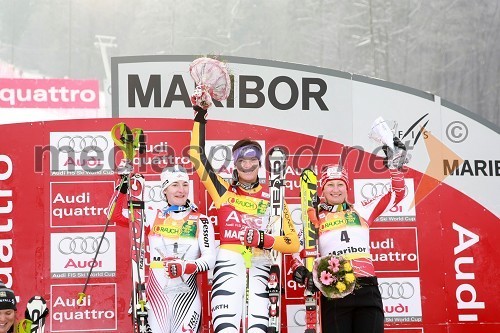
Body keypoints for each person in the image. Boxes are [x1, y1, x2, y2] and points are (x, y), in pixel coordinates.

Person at [189, 105, 300, 333]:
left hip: (261, 264)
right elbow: (196, 156)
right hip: (228, 262)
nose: (247, 166)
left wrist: (263, 239)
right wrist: (200, 115)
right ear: (235, 164)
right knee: (226, 328)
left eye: (252, 160)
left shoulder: (274, 197)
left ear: (260, 162)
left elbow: (293, 243)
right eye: (241, 161)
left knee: (258, 330)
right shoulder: (223, 190)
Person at [291, 137, 408, 333]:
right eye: (330, 185)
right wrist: (300, 269)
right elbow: (297, 251)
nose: (335, 190)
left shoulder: (361, 210)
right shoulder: (314, 217)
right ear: (322, 188)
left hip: (367, 287)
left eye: (340, 185)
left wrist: (395, 167)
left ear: (347, 187)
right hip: (335, 289)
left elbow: (398, 193)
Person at [112, 165, 216, 333]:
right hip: (156, 296)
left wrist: (186, 266)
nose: (181, 190)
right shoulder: (154, 215)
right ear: (165, 190)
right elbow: (115, 215)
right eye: (175, 185)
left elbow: (210, 258)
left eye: (185, 184)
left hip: (186, 297)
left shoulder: (201, 220)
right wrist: (123, 187)